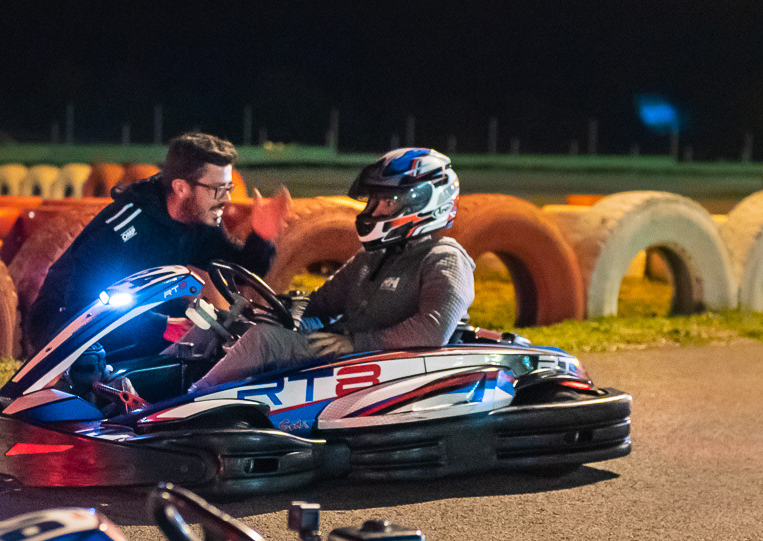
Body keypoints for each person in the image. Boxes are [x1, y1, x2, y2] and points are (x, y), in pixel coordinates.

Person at [189, 147, 475, 392]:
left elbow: (432, 331)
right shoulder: (371, 257)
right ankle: (166, 384)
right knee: (222, 322)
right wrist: (280, 312)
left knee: (264, 341)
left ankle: (189, 403)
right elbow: (320, 303)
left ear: (424, 203)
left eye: (386, 203)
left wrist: (354, 344)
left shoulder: (444, 258)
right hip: (348, 353)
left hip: (377, 364)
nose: (374, 211)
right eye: (373, 201)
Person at [26, 132, 287, 362]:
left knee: (213, 332)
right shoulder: (129, 224)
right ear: (181, 188)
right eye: (218, 189)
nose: (227, 198)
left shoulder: (200, 222)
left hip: (134, 314)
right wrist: (162, 326)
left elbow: (239, 273)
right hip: (66, 319)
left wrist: (262, 237)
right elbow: (88, 299)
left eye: (228, 188)